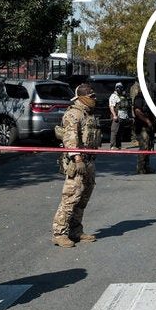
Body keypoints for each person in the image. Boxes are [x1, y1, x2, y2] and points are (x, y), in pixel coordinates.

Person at [52, 84, 101, 248]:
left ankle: (75, 230)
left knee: (82, 199)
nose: (94, 99)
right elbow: (70, 139)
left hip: (89, 161)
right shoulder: (73, 114)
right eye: (91, 96)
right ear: (81, 97)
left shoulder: (88, 114)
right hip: (77, 162)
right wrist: (78, 159)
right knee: (70, 198)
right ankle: (59, 233)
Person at [131, 82, 156, 174]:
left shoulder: (148, 98)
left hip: (148, 127)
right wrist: (147, 121)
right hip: (142, 127)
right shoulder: (139, 98)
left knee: (149, 146)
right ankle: (141, 167)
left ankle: (146, 166)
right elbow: (137, 111)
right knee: (144, 147)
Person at [108, 82, 131, 150]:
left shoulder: (123, 96)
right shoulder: (113, 96)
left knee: (120, 132)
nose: (119, 89)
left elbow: (127, 106)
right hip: (117, 116)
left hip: (124, 116)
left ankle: (118, 145)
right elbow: (111, 106)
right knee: (114, 131)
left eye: (120, 87)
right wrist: (114, 115)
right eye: (118, 87)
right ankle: (112, 146)